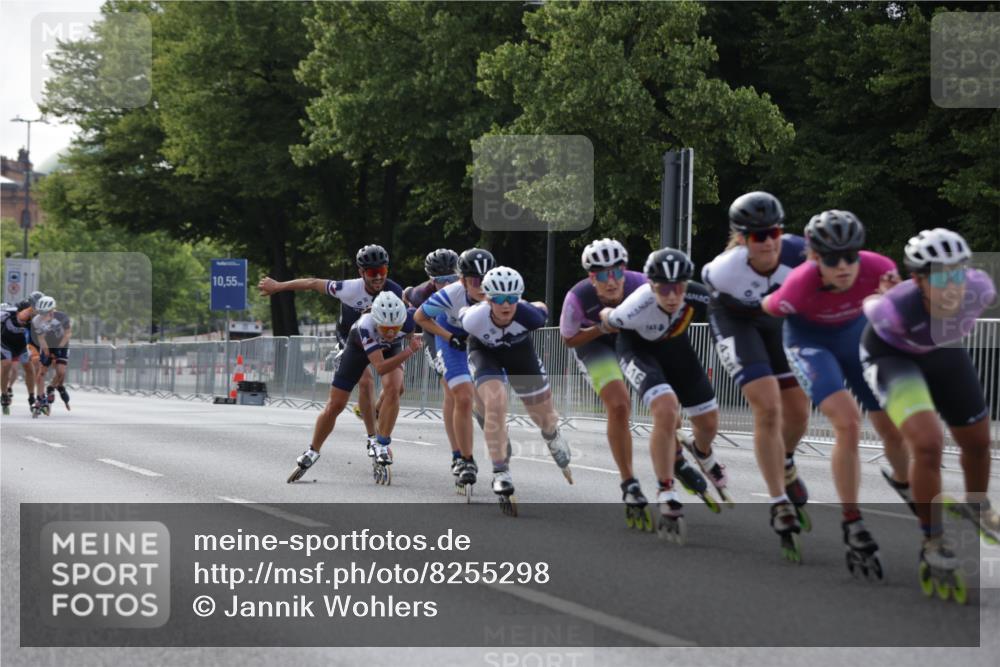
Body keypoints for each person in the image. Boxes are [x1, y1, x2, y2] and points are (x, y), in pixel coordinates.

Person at [762, 210, 909, 577]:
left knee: (892, 426)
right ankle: (852, 520)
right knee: (848, 422)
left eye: (850, 256)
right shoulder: (799, 283)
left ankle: (906, 482)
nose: (843, 266)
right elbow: (768, 307)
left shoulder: (881, 269)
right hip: (810, 344)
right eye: (831, 259)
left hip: (855, 338)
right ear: (815, 258)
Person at [860, 228, 997, 601]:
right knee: (927, 444)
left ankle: (977, 504)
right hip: (892, 356)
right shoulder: (892, 309)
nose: (952, 287)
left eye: (958, 274)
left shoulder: (981, 288)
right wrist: (883, 294)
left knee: (978, 442)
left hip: (942, 350)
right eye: (939, 278)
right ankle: (932, 539)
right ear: (918, 280)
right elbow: (870, 303)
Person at [702, 191, 812, 561]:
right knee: (768, 407)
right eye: (757, 236)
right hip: (735, 321)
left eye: (773, 233)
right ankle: (778, 501)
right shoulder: (722, 271)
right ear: (741, 238)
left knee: (799, 412)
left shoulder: (801, 252)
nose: (767, 243)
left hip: (774, 318)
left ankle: (786, 460)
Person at [601, 248, 728, 542]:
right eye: (664, 289)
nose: (672, 296)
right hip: (638, 351)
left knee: (709, 422)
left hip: (677, 351)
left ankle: (702, 453)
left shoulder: (698, 294)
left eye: (678, 288)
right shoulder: (635, 305)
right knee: (667, 409)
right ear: (651, 286)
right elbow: (608, 317)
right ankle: (665, 489)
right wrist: (606, 316)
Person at [259, 244, 403, 454]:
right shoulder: (349, 288)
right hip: (352, 338)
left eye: (382, 271)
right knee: (365, 381)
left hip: (381, 338)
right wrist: (278, 286)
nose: (378, 277)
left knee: (396, 388)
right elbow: (312, 283)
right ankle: (372, 437)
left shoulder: (395, 291)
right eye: (373, 273)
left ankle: (375, 413)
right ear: (361, 272)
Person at [459, 266, 572, 515]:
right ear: (488, 299)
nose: (505, 304)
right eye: (499, 299)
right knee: (496, 402)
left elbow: (541, 307)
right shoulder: (474, 319)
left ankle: (552, 435)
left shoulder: (531, 316)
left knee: (544, 416)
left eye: (511, 298)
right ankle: (501, 471)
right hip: (485, 354)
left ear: (519, 298)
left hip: (520, 354)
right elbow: (462, 316)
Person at [287, 292, 420, 484]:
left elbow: (415, 327)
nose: (391, 333)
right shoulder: (366, 326)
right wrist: (410, 350)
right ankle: (312, 451)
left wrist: (412, 339)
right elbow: (381, 367)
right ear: (377, 320)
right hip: (358, 350)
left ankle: (382, 444)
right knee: (336, 405)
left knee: (394, 390)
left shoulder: (408, 319)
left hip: (390, 349)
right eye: (386, 328)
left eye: (395, 328)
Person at [415, 248, 498, 486]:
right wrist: (449, 337)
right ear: (463, 281)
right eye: (474, 281)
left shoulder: (499, 291)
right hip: (444, 333)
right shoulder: (447, 293)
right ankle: (461, 457)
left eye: (485, 280)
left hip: (477, 335)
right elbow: (419, 317)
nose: (481, 286)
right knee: (458, 394)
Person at [405, 248, 470, 481]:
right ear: (431, 280)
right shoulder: (421, 294)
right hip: (435, 335)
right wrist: (409, 333)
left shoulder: (467, 288)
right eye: (441, 280)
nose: (447, 284)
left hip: (463, 331)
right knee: (450, 391)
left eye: (452, 278)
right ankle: (457, 454)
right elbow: (406, 296)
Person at [30, 296, 73, 412]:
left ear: (52, 310)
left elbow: (68, 334)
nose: (42, 315)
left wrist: (59, 348)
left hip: (62, 344)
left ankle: (52, 387)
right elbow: (41, 338)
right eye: (40, 312)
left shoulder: (62, 317)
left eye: (45, 312)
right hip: (48, 344)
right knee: (42, 371)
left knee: (61, 372)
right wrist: (46, 351)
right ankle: (40, 397)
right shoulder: (36, 320)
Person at [1, 300, 35, 416]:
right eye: (22, 319)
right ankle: (4, 394)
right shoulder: (6, 314)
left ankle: (31, 397)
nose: (24, 322)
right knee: (6, 365)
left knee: (29, 369)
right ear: (17, 313)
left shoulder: (31, 320)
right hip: (5, 344)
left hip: (20, 346)